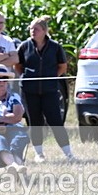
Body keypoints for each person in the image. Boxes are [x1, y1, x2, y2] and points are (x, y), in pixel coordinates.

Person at [16, 15, 76, 162]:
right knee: (34, 122)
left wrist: (50, 77)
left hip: (50, 90)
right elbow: (18, 65)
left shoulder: (55, 47)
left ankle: (68, 154)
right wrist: (27, 76)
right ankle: (39, 154)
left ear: (44, 31)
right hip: (30, 91)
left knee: (55, 121)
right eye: (30, 29)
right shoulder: (24, 46)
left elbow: (62, 66)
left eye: (35, 29)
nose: (32, 31)